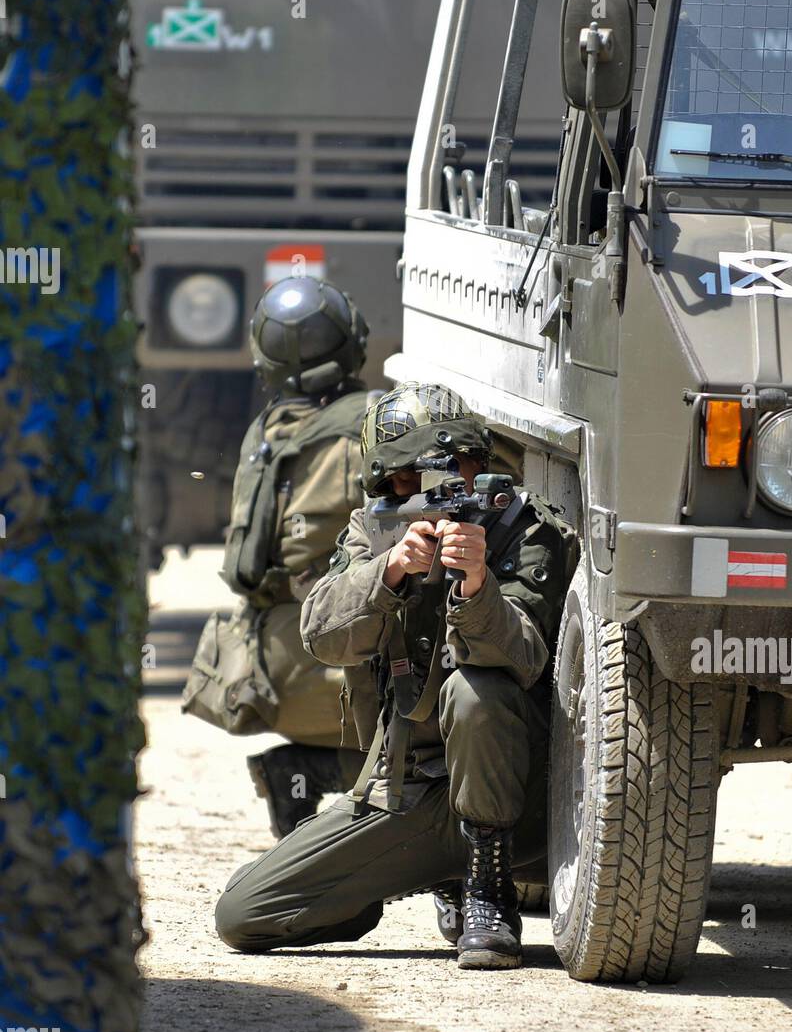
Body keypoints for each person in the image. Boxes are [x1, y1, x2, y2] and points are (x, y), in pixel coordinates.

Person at [214, 382, 579, 969]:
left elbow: (526, 656)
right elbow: (323, 635)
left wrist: (479, 583)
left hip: (527, 799)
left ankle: (488, 891)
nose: (433, 491)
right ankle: (419, 875)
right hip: (412, 790)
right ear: (385, 483)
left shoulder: (524, 528)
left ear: (478, 464)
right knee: (244, 914)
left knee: (475, 691)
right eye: (410, 479)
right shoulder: (376, 530)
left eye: (450, 470)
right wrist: (390, 572)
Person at [182, 274, 371, 837]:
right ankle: (316, 771)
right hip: (349, 681)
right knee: (458, 740)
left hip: (269, 681)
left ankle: (296, 771)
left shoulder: (261, 439)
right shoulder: (376, 428)